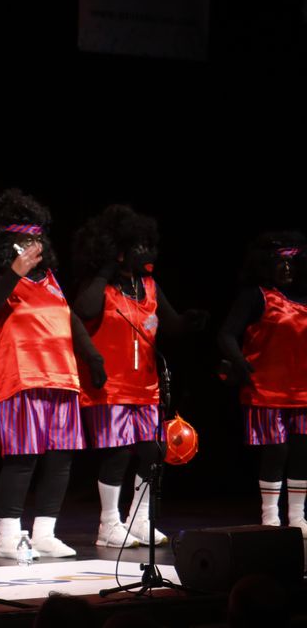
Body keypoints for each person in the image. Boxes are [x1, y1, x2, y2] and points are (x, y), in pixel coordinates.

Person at [0, 189, 105, 559]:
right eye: (23, 238)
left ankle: (45, 532)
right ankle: (9, 536)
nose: (32, 245)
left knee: (61, 458)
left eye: (36, 238)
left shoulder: (51, 279)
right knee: (23, 458)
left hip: (60, 375)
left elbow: (69, 318)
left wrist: (92, 357)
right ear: (5, 242)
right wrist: (14, 275)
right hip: (20, 376)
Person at [71, 204, 206, 547]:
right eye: (138, 246)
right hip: (109, 385)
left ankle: (139, 519)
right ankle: (108, 525)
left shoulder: (149, 285)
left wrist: (189, 321)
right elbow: (82, 311)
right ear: (119, 252)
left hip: (145, 385)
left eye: (149, 244)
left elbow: (171, 325)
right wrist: (104, 271)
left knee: (152, 450)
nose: (147, 252)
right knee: (117, 454)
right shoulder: (100, 285)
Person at [217, 231, 307, 532]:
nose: (286, 269)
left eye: (292, 264)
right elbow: (227, 333)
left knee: (301, 450)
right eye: (280, 263)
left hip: (303, 389)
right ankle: (270, 515)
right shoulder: (255, 296)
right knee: (276, 450)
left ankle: (298, 516)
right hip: (267, 388)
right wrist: (241, 363)